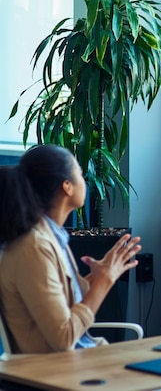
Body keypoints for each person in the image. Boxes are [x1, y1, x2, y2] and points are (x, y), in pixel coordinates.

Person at [0, 145, 142, 353]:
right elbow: (63, 337)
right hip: (57, 372)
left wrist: (99, 276)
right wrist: (104, 281)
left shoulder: (52, 236)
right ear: (67, 186)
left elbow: (62, 303)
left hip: (82, 356)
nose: (84, 181)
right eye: (80, 174)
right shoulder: (34, 247)